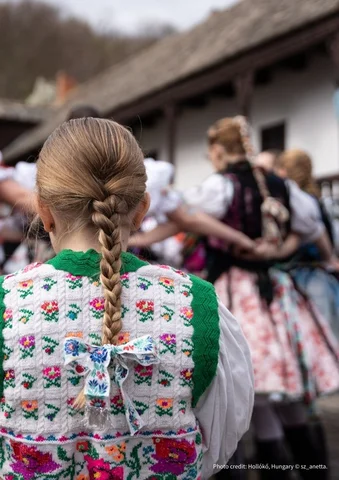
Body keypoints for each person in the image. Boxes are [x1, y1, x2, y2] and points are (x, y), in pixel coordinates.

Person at [0, 118, 254, 480]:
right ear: (142, 209)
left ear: (43, 210)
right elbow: (222, 439)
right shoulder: (196, 304)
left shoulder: (7, 304)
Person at [179, 117, 339, 479]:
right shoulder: (281, 185)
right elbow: (312, 226)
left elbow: (184, 214)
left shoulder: (221, 185)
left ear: (218, 150)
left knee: (260, 397)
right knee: (288, 398)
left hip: (240, 291)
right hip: (277, 292)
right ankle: (316, 472)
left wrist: (242, 243)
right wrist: (286, 250)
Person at [277, 149, 339, 339]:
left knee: (315, 336)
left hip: (305, 277)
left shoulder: (300, 204)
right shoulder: (318, 201)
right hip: (320, 275)